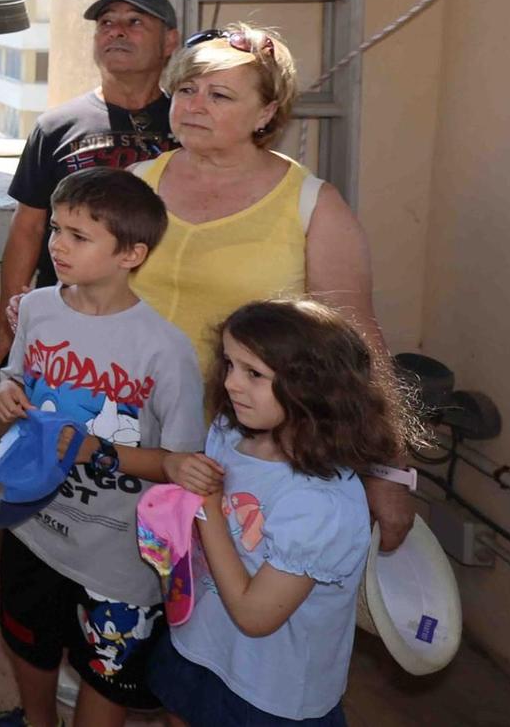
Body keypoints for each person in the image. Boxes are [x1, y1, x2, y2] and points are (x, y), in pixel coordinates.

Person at [127, 23, 416, 550]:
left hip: (245, 455)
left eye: (219, 95)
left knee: (224, 604)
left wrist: (388, 472)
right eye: (186, 89)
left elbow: (361, 345)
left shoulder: (312, 206)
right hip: (126, 433)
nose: (194, 105)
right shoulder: (134, 185)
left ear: (265, 114)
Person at [0, 168, 210, 727]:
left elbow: (181, 464)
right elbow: (17, 373)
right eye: (57, 229)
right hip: (33, 525)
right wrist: (7, 389)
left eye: (79, 236)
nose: (58, 246)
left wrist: (93, 449)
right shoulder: (38, 308)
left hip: (117, 553)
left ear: (131, 254)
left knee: (106, 672)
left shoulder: (165, 351)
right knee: (28, 641)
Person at [149, 299, 425, 726]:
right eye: (230, 364)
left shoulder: (322, 505)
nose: (231, 384)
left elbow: (255, 616)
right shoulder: (228, 432)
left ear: (313, 389)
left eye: (253, 373)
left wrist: (207, 506)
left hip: (270, 692)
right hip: (204, 645)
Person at [0, 0, 181, 376]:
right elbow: (28, 226)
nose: (117, 31)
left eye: (135, 22)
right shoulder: (57, 127)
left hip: (164, 317)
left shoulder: (190, 123)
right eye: (106, 23)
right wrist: (6, 318)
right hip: (69, 323)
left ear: (169, 41)